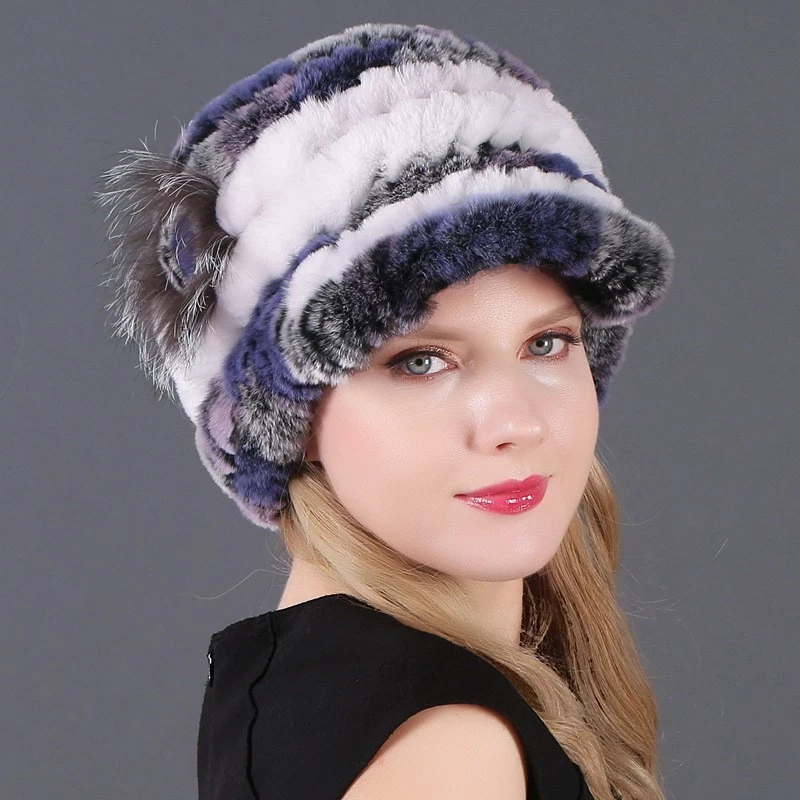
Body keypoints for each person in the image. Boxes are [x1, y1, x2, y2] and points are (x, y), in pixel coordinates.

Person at [95, 22, 675, 800]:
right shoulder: (450, 750)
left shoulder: (297, 693)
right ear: (293, 419)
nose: (516, 423)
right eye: (421, 361)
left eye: (546, 344)